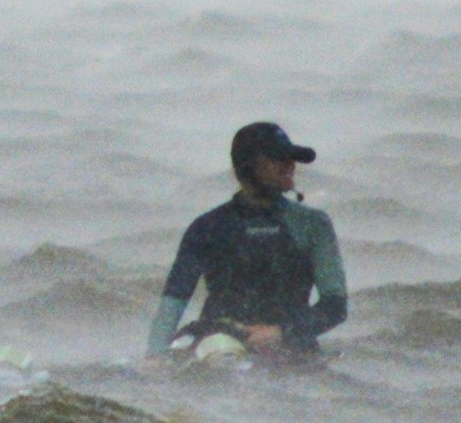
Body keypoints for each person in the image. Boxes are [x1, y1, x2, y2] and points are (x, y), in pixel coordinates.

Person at [146, 122, 347, 362]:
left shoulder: (313, 225)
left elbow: (335, 306)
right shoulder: (207, 228)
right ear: (249, 166)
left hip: (289, 347)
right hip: (218, 346)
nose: (290, 165)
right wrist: (154, 360)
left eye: (291, 159)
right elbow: (173, 304)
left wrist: (280, 333)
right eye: (279, 159)